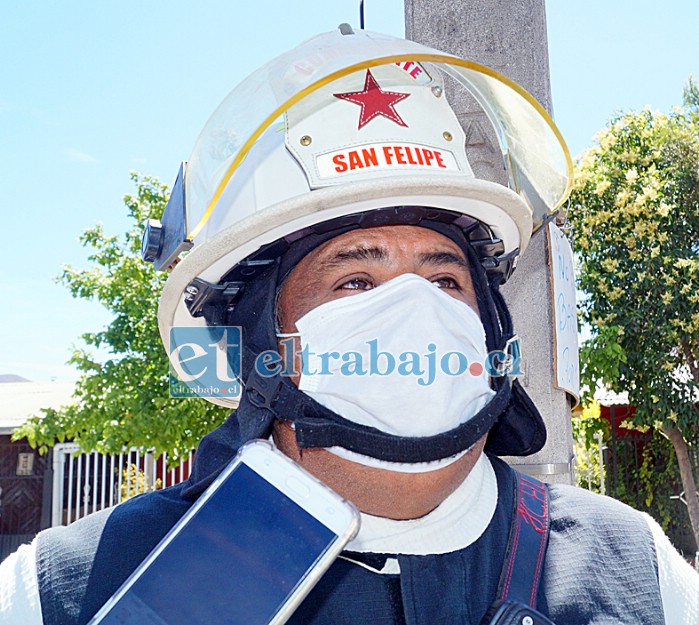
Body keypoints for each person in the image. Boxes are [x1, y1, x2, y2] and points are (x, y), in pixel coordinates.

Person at [2, 26, 698, 625]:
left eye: (444, 280)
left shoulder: (632, 569)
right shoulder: (73, 587)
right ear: (258, 344)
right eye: (355, 279)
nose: (416, 317)